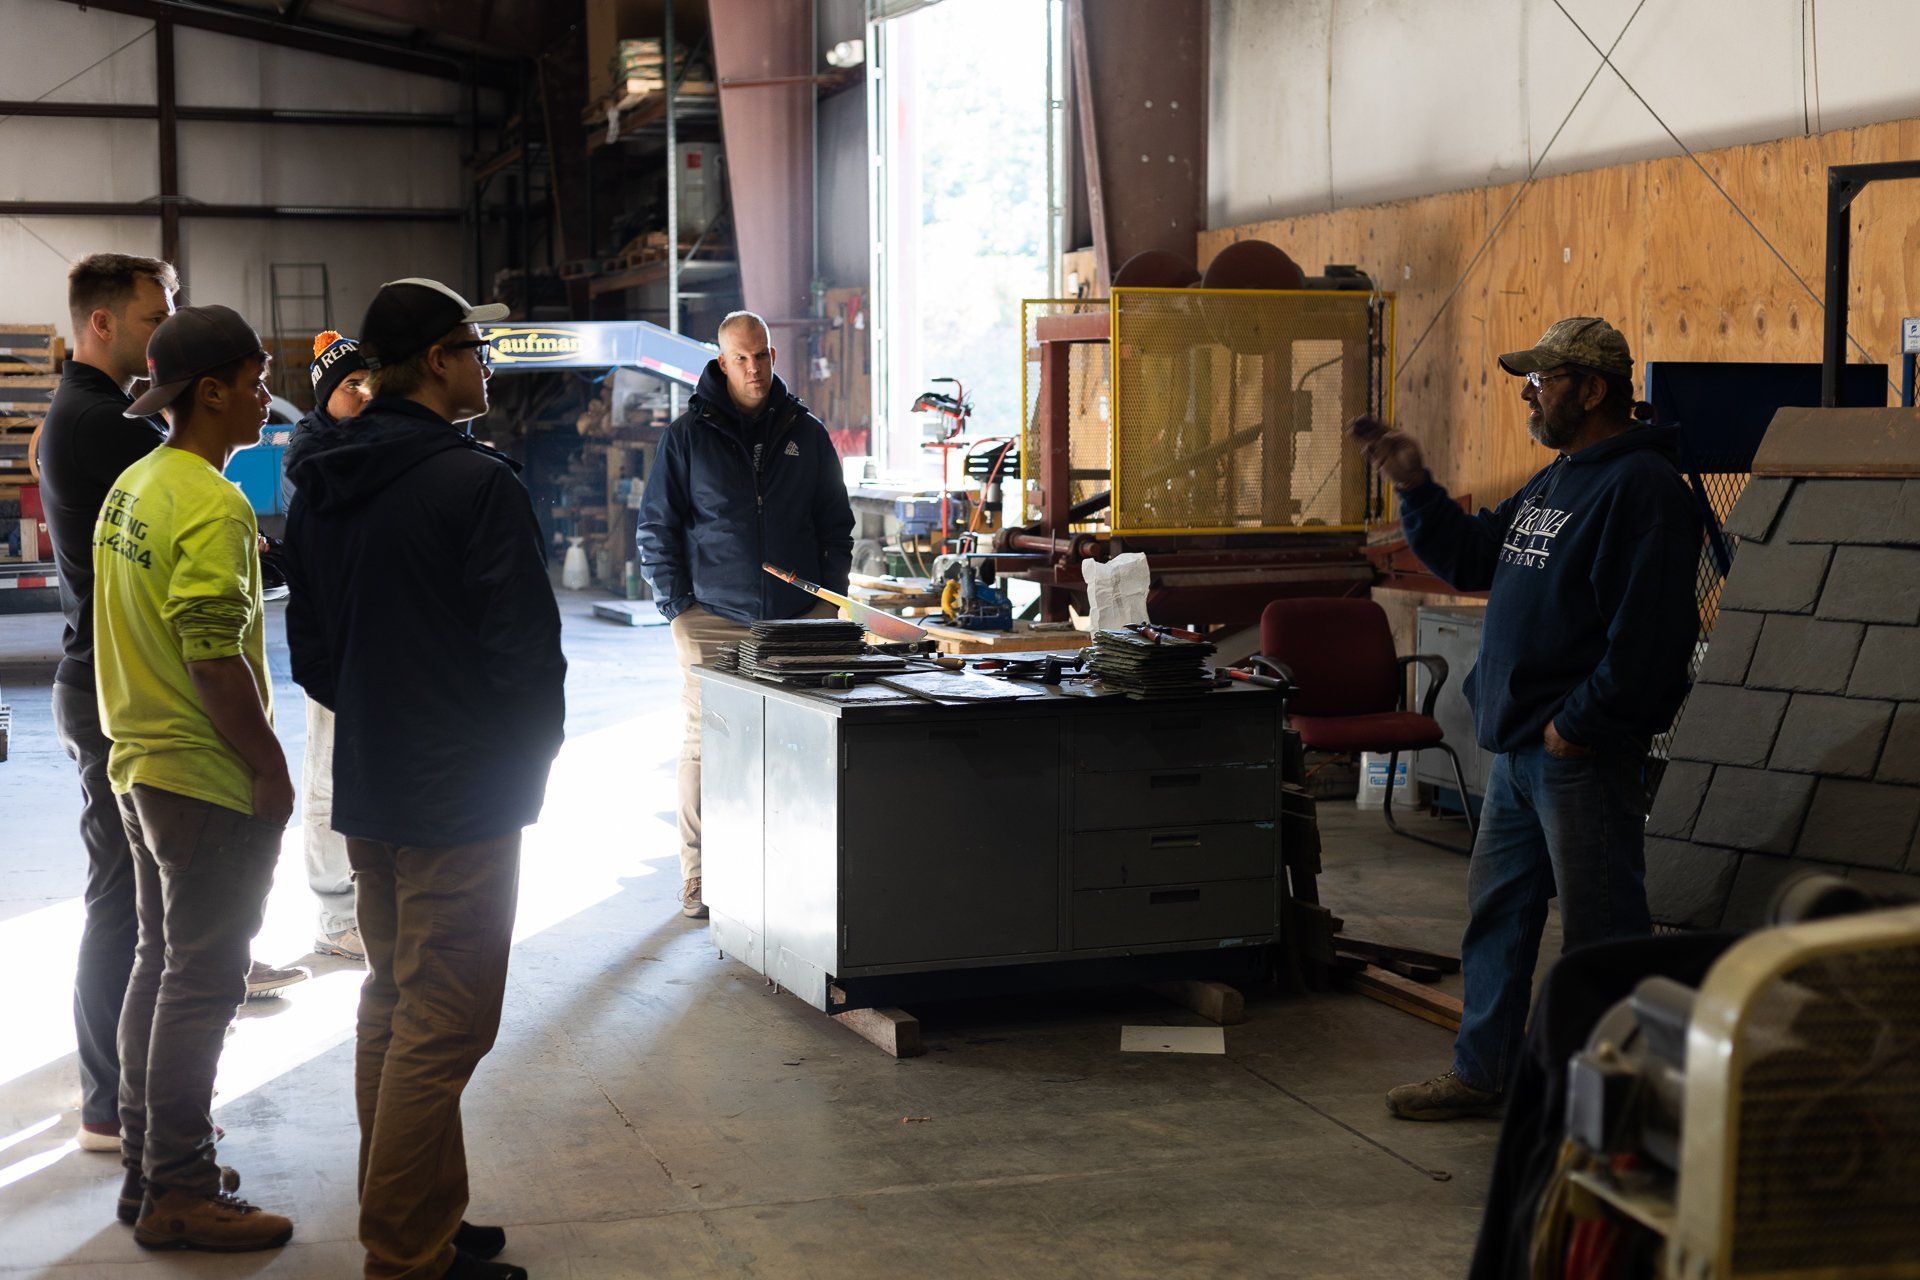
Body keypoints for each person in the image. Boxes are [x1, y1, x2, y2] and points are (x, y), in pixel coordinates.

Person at [1350, 317, 1702, 1122]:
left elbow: (1651, 641)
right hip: (1518, 752)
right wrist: (1415, 486)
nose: (1528, 394)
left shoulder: (1640, 488)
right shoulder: (1559, 479)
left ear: (1592, 388)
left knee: (1602, 935)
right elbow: (1474, 557)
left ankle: (1608, 1102)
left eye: (1543, 380)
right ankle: (1483, 1073)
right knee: (1499, 921)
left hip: (1575, 755)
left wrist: (1577, 725)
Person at [282, 278, 563, 1280]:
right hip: (461, 795)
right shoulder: (475, 483)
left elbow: (310, 649)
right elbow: (524, 656)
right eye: (475, 349)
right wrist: (521, 760)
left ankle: (421, 1209)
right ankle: (407, 1252)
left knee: (397, 1002)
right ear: (437, 361)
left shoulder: (323, 483)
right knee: (444, 1016)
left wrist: (385, 711)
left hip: (375, 779)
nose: (486, 364)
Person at [93, 304, 296, 1250]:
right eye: (255, 379)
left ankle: (149, 1171)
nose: (264, 396)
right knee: (203, 982)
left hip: (136, 764)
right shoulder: (214, 501)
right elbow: (214, 656)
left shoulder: (133, 487)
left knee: (160, 966)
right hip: (202, 775)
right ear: (210, 391)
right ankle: (179, 1188)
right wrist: (269, 765)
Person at [636, 310, 855, 919]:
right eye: (741, 358)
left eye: (761, 356)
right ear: (720, 359)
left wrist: (822, 596)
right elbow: (657, 525)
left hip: (795, 619)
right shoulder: (687, 436)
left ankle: (788, 875)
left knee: (796, 744)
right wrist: (678, 607)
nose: (753, 368)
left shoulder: (805, 433)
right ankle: (699, 877)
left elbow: (836, 523)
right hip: (711, 616)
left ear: (772, 356)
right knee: (707, 745)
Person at [36, 253, 177, 1155]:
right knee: (123, 898)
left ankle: (110, 1081)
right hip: (108, 687)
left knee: (134, 893)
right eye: (153, 318)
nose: (164, 332)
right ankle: (104, 1100)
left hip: (101, 677)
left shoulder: (93, 414)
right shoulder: (102, 426)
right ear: (102, 325)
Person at [283, 329, 374, 961]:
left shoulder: (375, 442)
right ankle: (335, 916)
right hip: (337, 646)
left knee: (370, 774)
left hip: (383, 643)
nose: (364, 395)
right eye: (350, 387)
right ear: (324, 396)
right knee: (328, 778)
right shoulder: (313, 459)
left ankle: (367, 904)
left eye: (371, 383)